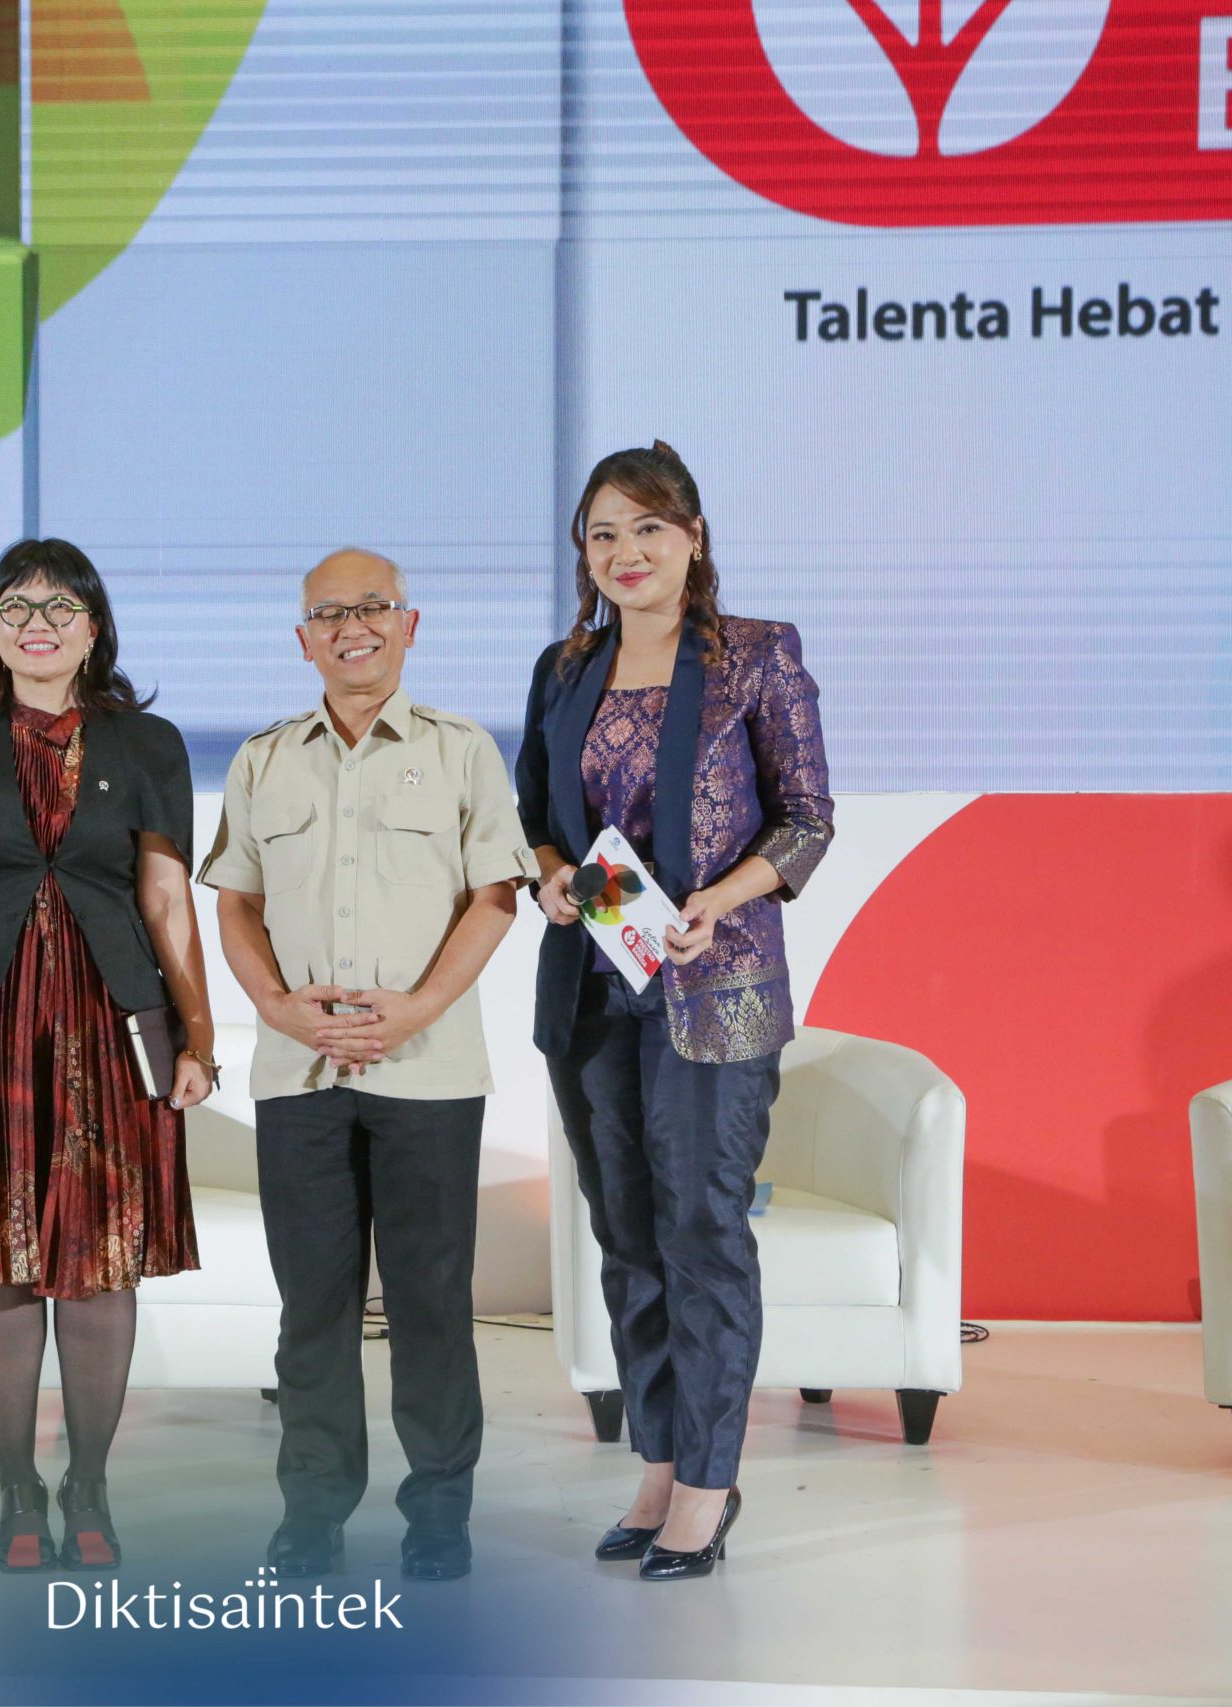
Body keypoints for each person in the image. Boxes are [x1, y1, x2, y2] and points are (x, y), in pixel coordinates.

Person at [516, 443, 833, 1582]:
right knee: (628, 1235)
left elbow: (806, 819)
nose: (626, 552)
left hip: (714, 981)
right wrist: (552, 877)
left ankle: (707, 1481)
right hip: (595, 984)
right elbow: (532, 815)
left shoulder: (756, 653)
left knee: (702, 1231)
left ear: (692, 536)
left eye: (647, 528)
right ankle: (657, 1463)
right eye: (602, 534)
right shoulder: (566, 667)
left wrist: (719, 900)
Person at [201, 549, 535, 1582]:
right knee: (313, 1310)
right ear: (303, 638)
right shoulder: (265, 759)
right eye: (330, 613)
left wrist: (417, 1010)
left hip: (427, 1073)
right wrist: (274, 1007)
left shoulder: (461, 751)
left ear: (409, 624)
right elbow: (237, 904)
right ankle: (312, 1513)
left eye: (373, 607)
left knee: (431, 1305)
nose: (354, 627)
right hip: (299, 1078)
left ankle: (439, 1512)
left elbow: (496, 897)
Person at [0, 538, 216, 1574]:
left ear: (94, 626)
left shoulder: (147, 741)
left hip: (112, 1024)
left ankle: (91, 1484)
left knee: (104, 1262)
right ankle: (18, 1487)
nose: (39, 623)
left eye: (61, 606)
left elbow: (166, 899)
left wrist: (197, 1037)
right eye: (17, 606)